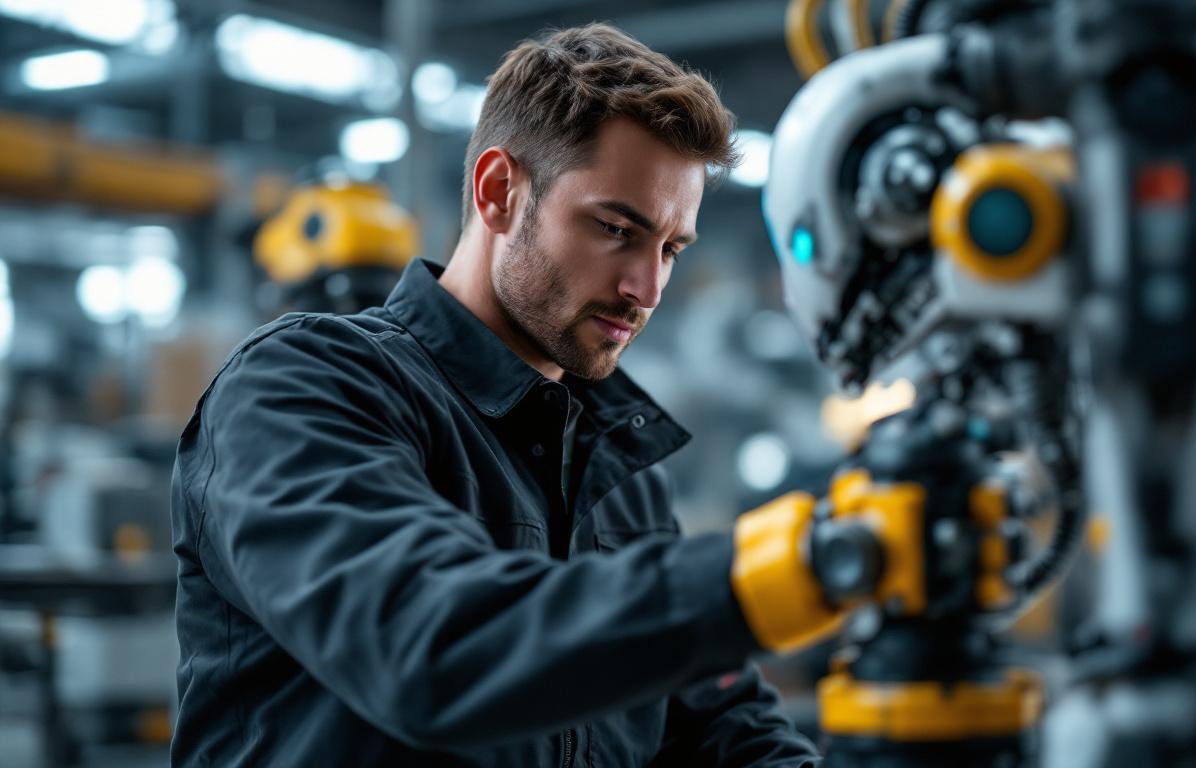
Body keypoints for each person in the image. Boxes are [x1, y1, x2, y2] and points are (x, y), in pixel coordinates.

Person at [169, 23, 824, 767]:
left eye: (670, 249)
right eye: (615, 228)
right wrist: (788, 569)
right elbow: (427, 646)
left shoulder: (621, 472)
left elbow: (722, 726)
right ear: (498, 191)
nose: (646, 289)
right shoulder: (300, 386)